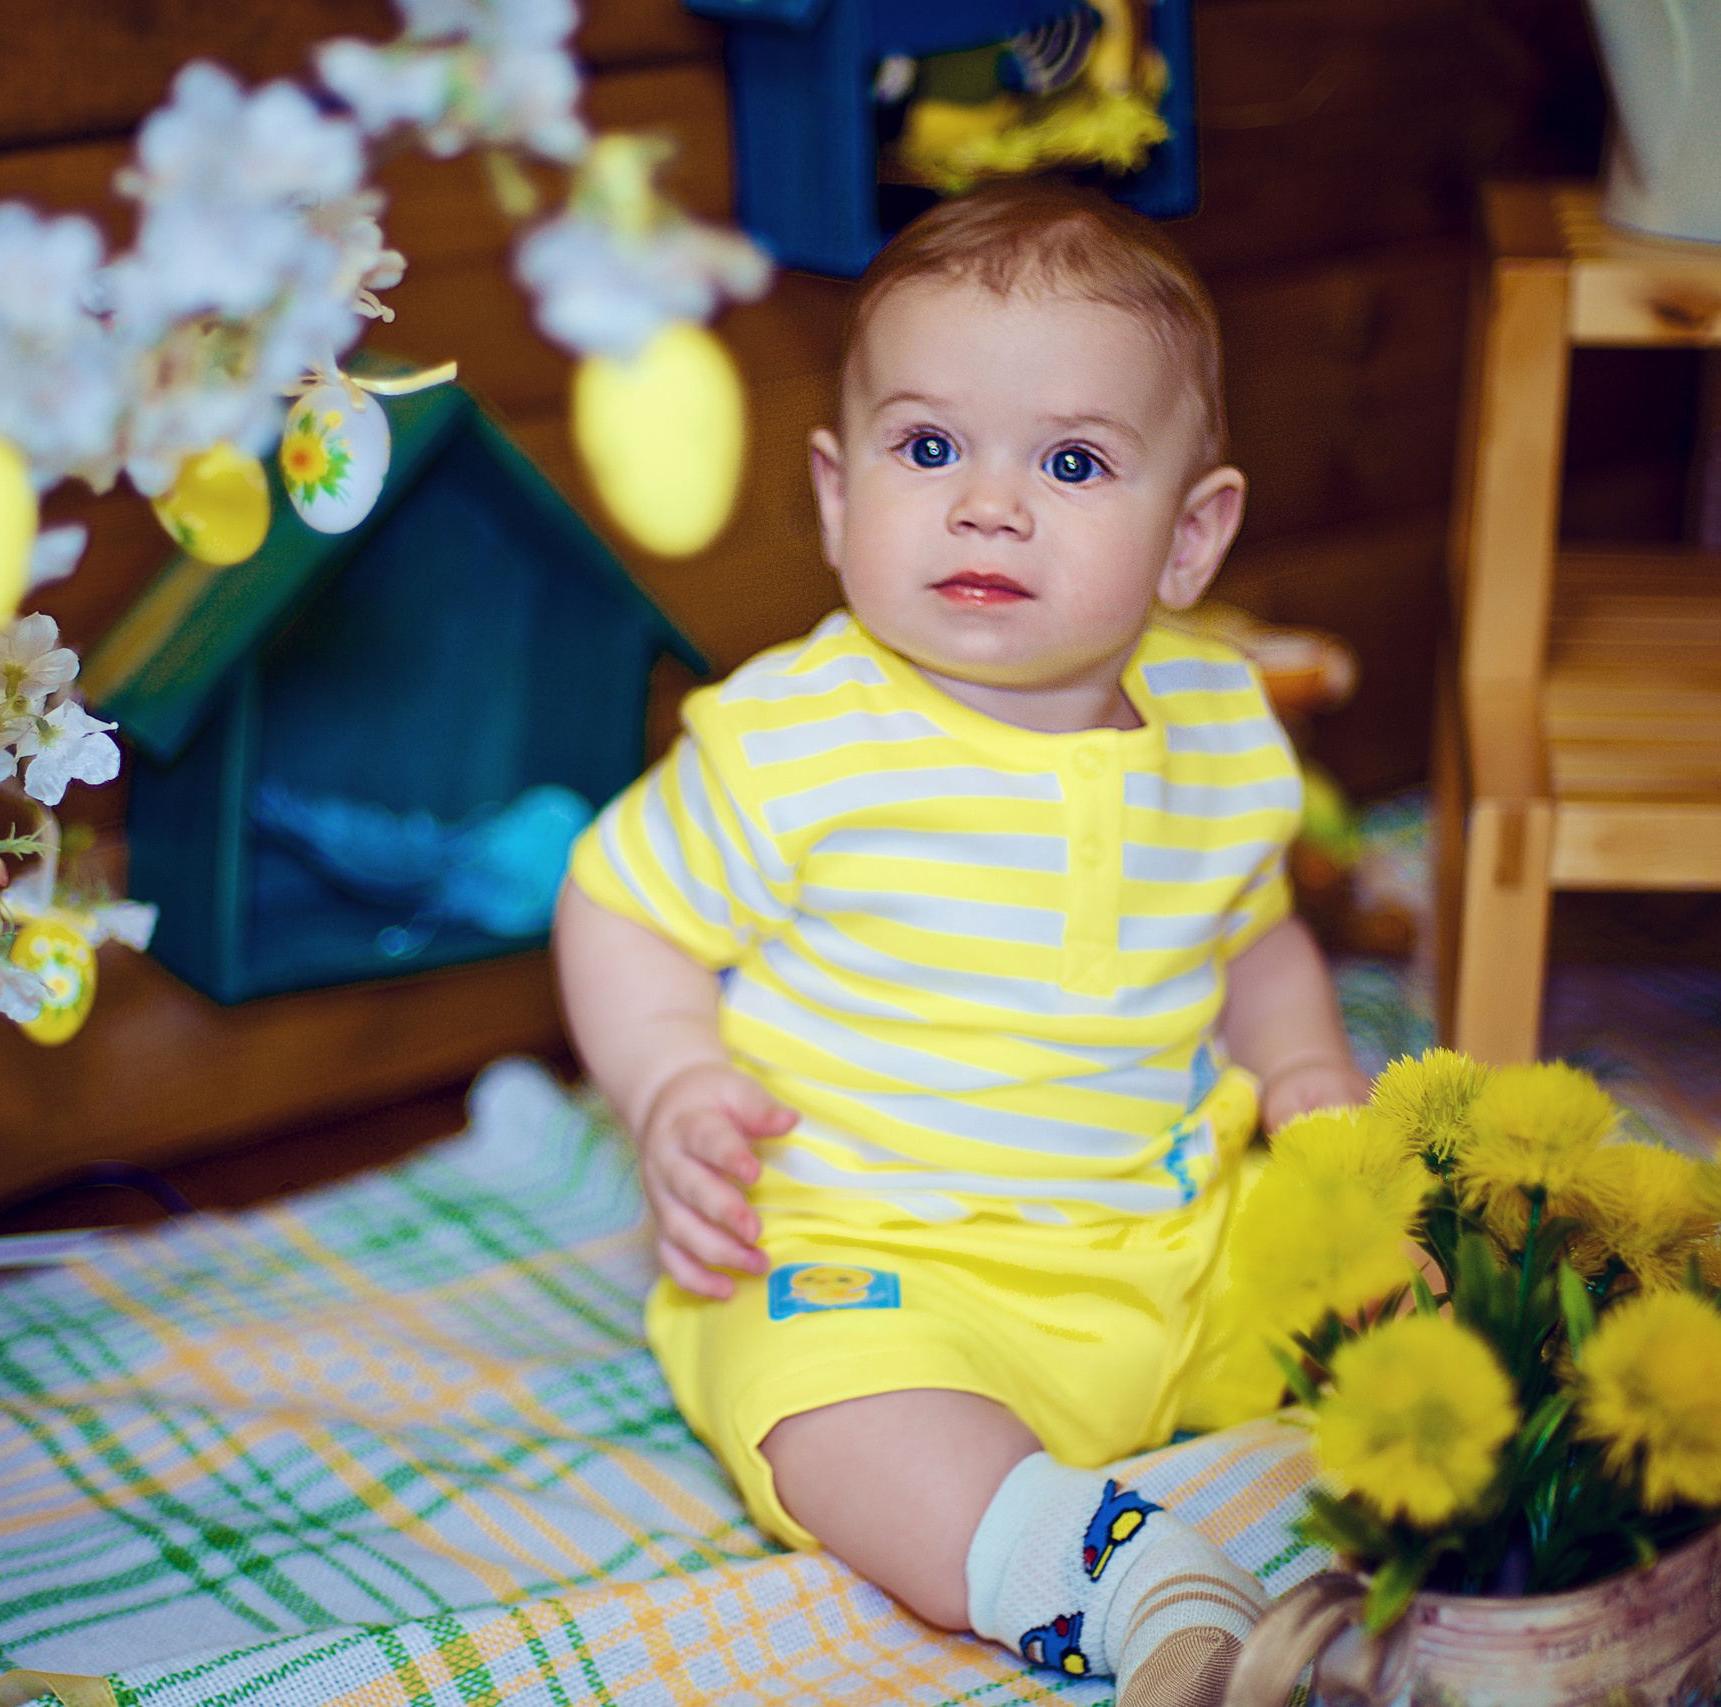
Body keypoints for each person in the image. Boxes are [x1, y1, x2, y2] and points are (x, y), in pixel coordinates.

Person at [552, 178, 1364, 1706]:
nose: (989, 503)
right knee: (831, 1417)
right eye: (929, 449)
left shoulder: (1224, 729)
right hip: (873, 1258)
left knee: (1414, 1280)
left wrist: (1310, 1072)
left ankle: (1521, 1526)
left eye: (1070, 461)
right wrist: (667, 1084)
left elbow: (1253, 939)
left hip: (1171, 1241)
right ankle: (1138, 1586)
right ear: (838, 495)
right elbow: (621, 902)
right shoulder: (796, 739)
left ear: (1191, 538)